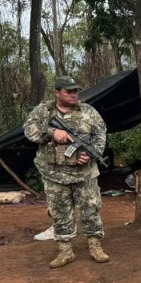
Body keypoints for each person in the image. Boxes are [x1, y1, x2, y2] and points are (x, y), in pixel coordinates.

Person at [24, 76, 109, 268]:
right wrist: (51, 133)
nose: (73, 95)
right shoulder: (42, 111)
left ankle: (95, 246)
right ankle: (65, 251)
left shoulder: (88, 111)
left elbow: (100, 135)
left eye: (75, 91)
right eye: (68, 91)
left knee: (91, 209)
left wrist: (90, 154)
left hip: (84, 174)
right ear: (57, 93)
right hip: (54, 174)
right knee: (59, 212)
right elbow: (29, 131)